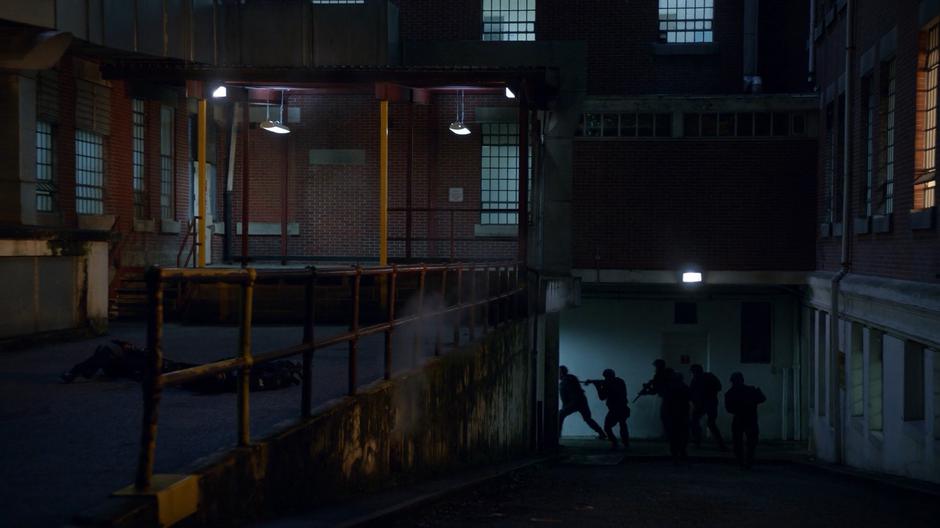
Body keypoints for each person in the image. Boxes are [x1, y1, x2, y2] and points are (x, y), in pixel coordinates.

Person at [724, 372, 766, 469]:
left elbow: (729, 409)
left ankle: (741, 462)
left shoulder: (730, 393)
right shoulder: (751, 390)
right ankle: (748, 462)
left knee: (738, 443)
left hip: (739, 419)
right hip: (751, 419)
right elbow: (762, 399)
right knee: (751, 443)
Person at [558, 365, 607, 440]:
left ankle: (556, 436)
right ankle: (602, 433)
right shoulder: (572, 377)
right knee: (588, 418)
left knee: (560, 415)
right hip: (581, 400)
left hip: (574, 402)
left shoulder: (564, 382)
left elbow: (564, 397)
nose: (558, 375)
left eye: (559, 372)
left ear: (561, 373)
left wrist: (564, 408)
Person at [589, 368, 630, 449]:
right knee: (623, 425)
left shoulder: (607, 384)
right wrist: (601, 383)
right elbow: (610, 383)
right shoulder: (620, 381)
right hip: (624, 408)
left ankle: (615, 443)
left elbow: (602, 397)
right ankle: (626, 443)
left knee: (607, 427)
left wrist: (597, 386)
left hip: (614, 410)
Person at [689, 364, 727, 450]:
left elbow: (691, 392)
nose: (693, 373)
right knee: (709, 424)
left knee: (698, 422)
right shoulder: (707, 377)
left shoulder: (698, 379)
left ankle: (698, 442)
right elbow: (718, 387)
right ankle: (720, 445)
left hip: (705, 404)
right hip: (708, 403)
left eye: (694, 371)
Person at [635, 359, 674, 437]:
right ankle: (669, 434)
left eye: (656, 366)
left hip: (669, 397)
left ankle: (669, 434)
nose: (655, 368)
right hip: (670, 397)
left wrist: (646, 391)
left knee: (665, 416)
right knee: (668, 416)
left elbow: (656, 390)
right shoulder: (666, 374)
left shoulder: (661, 375)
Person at [662, 371, 691, 462]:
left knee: (674, 436)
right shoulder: (685, 388)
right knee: (682, 435)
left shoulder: (669, 388)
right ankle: (681, 452)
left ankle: (676, 453)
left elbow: (666, 404)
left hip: (673, 415)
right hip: (681, 415)